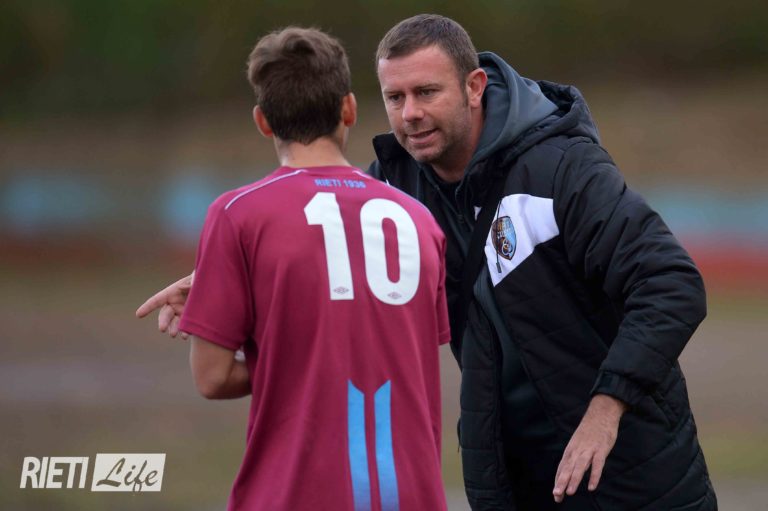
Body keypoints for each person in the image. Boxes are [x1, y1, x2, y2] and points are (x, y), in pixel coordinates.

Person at [139, 15, 718, 511]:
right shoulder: (396, 191)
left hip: (630, 469)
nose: (410, 114)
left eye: (426, 92)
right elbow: (321, 232)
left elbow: (671, 283)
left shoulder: (562, 168)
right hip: (513, 479)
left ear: (474, 86)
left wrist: (606, 408)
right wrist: (221, 279)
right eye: (395, 98)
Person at [142, 27, 451, 511]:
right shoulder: (419, 220)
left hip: (296, 492)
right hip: (409, 495)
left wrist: (279, 349)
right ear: (349, 109)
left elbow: (212, 377)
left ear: (263, 121)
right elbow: (398, 346)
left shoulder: (238, 214)